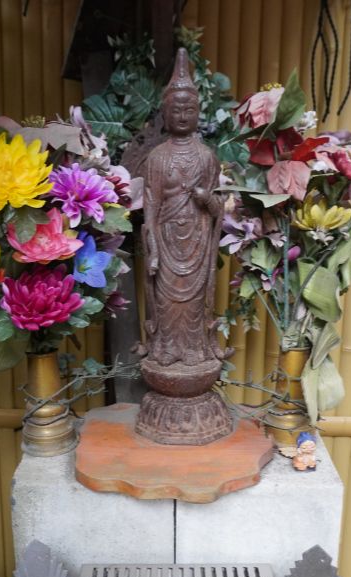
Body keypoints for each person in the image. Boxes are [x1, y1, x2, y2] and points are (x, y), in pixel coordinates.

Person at [140, 48, 226, 368]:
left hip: (197, 241)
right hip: (165, 239)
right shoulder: (157, 157)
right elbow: (150, 203)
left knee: (193, 300)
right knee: (165, 298)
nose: (182, 115)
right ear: (165, 111)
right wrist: (152, 247)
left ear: (198, 112)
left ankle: (193, 348)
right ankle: (164, 347)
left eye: (189, 108)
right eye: (176, 109)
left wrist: (207, 199)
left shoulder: (206, 157)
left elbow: (219, 208)